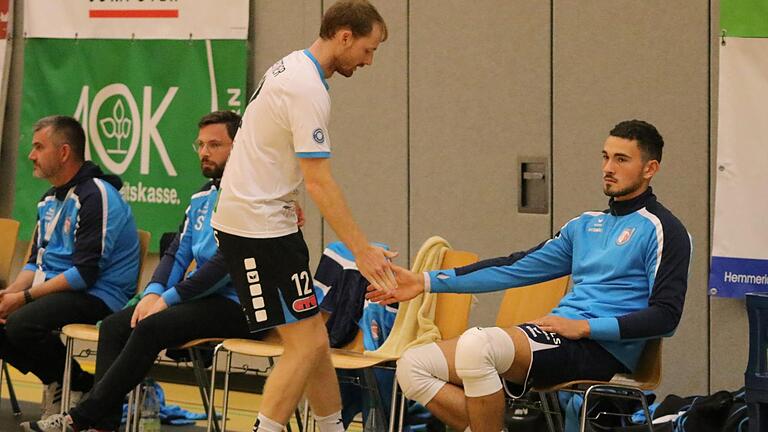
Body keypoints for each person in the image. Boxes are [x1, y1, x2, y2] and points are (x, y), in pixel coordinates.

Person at [368, 120, 692, 432]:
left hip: (600, 349)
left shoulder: (663, 229)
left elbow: (666, 317)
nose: (608, 168)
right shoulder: (584, 225)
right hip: (558, 336)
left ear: (650, 169)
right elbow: (515, 268)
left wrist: (584, 327)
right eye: (605, 157)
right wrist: (424, 281)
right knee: (413, 365)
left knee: (477, 346)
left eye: (622, 159)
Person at [20, 111, 277, 432]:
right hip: (206, 299)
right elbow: (176, 254)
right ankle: (105, 424)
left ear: (240, 147)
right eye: (200, 144)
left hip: (245, 306)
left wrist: (167, 299)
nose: (204, 152)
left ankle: (79, 419)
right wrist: (154, 291)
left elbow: (224, 266)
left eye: (215, 144)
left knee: (151, 326)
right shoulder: (201, 196)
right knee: (116, 326)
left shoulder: (253, 197)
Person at [210, 1, 397, 431]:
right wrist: (362, 251)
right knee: (302, 344)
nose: (369, 62)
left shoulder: (292, 66)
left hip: (264, 218)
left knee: (312, 339)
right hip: (257, 229)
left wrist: (278, 190)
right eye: (368, 50)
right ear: (344, 36)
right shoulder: (305, 88)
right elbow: (320, 182)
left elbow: (258, 141)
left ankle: (330, 427)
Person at [0, 116, 139, 421]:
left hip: (101, 295)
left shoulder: (96, 195)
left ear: (64, 152)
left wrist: (23, 299)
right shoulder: (47, 199)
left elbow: (84, 274)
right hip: (59, 289)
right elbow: (35, 262)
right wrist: (8, 294)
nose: (31, 155)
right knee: (3, 318)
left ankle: (74, 383)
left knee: (21, 323)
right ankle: (63, 382)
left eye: (39, 147)